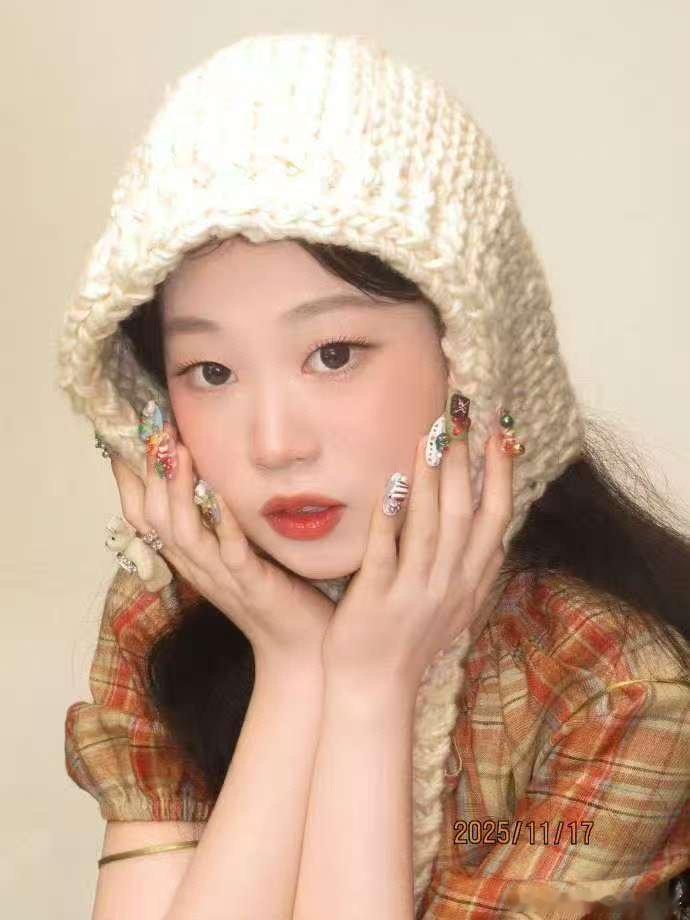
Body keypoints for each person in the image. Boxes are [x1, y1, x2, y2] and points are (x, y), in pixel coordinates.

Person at [57, 32, 690, 920]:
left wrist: (368, 689)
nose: (275, 444)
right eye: (211, 371)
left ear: (471, 355)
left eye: (334, 353)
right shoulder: (175, 608)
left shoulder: (612, 684)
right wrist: (294, 665)